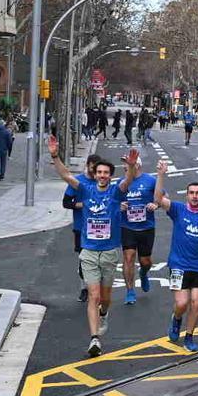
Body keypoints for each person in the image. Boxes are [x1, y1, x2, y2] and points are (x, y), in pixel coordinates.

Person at [49, 138, 137, 357]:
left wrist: (132, 167)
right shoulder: (86, 189)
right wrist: (54, 155)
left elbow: (127, 181)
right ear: (95, 174)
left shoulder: (116, 192)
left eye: (106, 173)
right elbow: (65, 176)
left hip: (109, 252)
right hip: (89, 251)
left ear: (110, 175)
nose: (102, 176)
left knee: (105, 300)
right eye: (99, 172)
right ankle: (94, 338)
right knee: (94, 296)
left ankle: (104, 314)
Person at [153, 161, 198, 351]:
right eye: (191, 193)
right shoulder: (178, 210)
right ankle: (176, 319)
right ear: (187, 195)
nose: (194, 196)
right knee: (182, 303)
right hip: (178, 265)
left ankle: (189, 337)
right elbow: (159, 199)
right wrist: (160, 175)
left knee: (197, 302)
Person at [120, 153, 160, 305]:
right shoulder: (121, 183)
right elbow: (112, 201)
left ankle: (144, 273)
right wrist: (119, 206)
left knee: (145, 261)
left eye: (127, 163)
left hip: (146, 227)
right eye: (124, 163)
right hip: (127, 227)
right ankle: (130, 291)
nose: (124, 166)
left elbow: (161, 197)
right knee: (128, 257)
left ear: (137, 165)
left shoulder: (150, 180)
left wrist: (155, 205)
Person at [63, 155, 101, 302]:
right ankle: (84, 288)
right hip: (81, 227)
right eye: (93, 168)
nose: (95, 172)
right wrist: (82, 205)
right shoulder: (78, 181)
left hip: (100, 227)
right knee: (83, 260)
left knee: (98, 259)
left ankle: (96, 288)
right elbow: (66, 202)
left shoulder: (102, 180)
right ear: (87, 165)